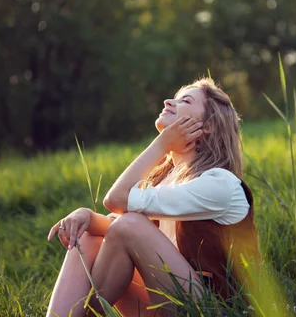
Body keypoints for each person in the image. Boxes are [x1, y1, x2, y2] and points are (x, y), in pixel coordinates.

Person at [46, 78, 260, 317]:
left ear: (207, 125)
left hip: (215, 310)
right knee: (85, 237)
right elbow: (121, 230)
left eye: (185, 100)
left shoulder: (219, 183)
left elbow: (117, 202)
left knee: (130, 223)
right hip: (169, 300)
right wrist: (85, 215)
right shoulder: (166, 180)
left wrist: (161, 144)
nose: (168, 101)